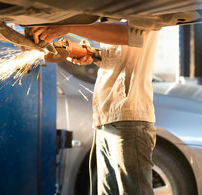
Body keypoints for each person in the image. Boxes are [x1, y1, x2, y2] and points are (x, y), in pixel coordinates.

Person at [31, 22, 159, 195]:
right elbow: (120, 53)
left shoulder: (144, 2)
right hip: (108, 118)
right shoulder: (117, 7)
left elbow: (129, 35)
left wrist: (68, 27)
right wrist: (91, 53)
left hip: (128, 119)